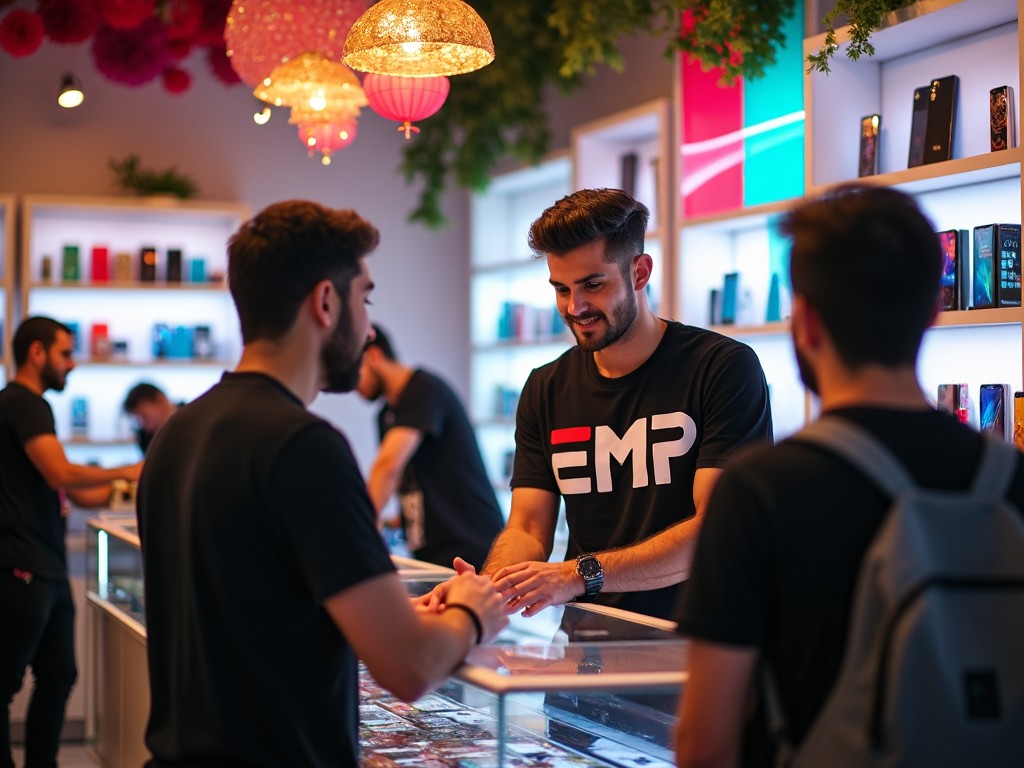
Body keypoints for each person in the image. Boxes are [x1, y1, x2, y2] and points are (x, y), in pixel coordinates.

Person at [136, 200, 507, 767]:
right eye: (366, 296)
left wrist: (407, 613)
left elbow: (260, 609)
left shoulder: (178, 433)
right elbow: (408, 668)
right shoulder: (306, 447)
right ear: (326, 301)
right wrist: (475, 611)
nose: (367, 321)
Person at [672, 184, 1024, 767]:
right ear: (934, 309)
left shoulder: (760, 490)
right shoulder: (1011, 477)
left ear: (805, 322)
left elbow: (706, 744)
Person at [465, 188, 773, 621]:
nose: (576, 307)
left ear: (640, 272)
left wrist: (579, 574)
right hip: (585, 649)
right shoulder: (544, 387)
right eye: (561, 289)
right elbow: (529, 526)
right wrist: (490, 588)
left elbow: (719, 528)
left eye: (593, 284)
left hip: (698, 646)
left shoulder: (721, 368)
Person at [0, 316, 142, 768]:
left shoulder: (33, 408)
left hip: (47, 567)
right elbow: (60, 473)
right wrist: (125, 470)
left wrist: (129, 485)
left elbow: (73, 492)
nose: (73, 363)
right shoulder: (23, 403)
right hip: (22, 566)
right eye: (65, 353)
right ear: (37, 353)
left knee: (60, 674)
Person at [355, 324, 504, 569]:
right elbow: (409, 482)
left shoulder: (424, 391)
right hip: (430, 556)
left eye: (355, 369)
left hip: (470, 551)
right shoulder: (386, 415)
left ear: (374, 356)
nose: (353, 385)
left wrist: (357, 530)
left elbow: (388, 468)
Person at [122, 382, 179, 454]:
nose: (143, 425)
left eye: (144, 417)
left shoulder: (192, 420)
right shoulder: (145, 437)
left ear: (160, 400)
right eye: (137, 420)